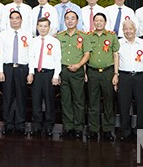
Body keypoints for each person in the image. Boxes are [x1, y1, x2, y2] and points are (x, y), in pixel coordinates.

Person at [116, 20, 143, 141]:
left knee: (142, 104)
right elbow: (115, 60)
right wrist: (115, 75)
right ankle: (125, 131)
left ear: (135, 30)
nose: (128, 31)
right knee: (123, 105)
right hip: (124, 76)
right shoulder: (118, 43)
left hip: (140, 77)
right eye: (125, 29)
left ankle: (140, 131)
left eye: (130, 29)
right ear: (123, 31)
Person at [85, 13, 120, 141]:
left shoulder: (111, 36)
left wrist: (116, 73)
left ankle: (108, 129)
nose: (99, 23)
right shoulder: (88, 36)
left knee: (108, 102)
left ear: (105, 22)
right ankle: (93, 129)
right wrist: (85, 72)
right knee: (93, 102)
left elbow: (116, 55)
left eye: (101, 21)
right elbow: (85, 54)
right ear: (94, 22)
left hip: (108, 72)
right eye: (97, 21)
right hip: (92, 72)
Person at [0, 10, 31, 135]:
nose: (15, 20)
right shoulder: (3, 34)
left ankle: (21, 124)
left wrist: (31, 72)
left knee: (21, 97)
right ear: (9, 20)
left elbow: (31, 54)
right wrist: (0, 70)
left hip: (22, 68)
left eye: (17, 18)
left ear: (21, 20)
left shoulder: (27, 35)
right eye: (12, 18)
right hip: (8, 68)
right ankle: (9, 123)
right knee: (7, 97)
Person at [58, 11, 89, 139]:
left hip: (77, 70)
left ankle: (79, 127)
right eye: (67, 19)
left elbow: (87, 54)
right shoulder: (59, 36)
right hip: (63, 70)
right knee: (65, 100)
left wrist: (79, 65)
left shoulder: (83, 36)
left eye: (72, 19)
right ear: (64, 21)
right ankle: (68, 126)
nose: (70, 21)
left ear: (77, 21)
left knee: (79, 100)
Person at [28, 17, 61, 138]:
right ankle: (36, 126)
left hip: (49, 74)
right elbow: (30, 58)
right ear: (37, 27)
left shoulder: (55, 42)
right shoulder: (33, 41)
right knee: (36, 100)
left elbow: (58, 59)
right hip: (37, 74)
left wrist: (56, 75)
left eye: (45, 26)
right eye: (40, 26)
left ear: (49, 27)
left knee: (49, 101)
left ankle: (49, 126)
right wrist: (30, 72)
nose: (43, 28)